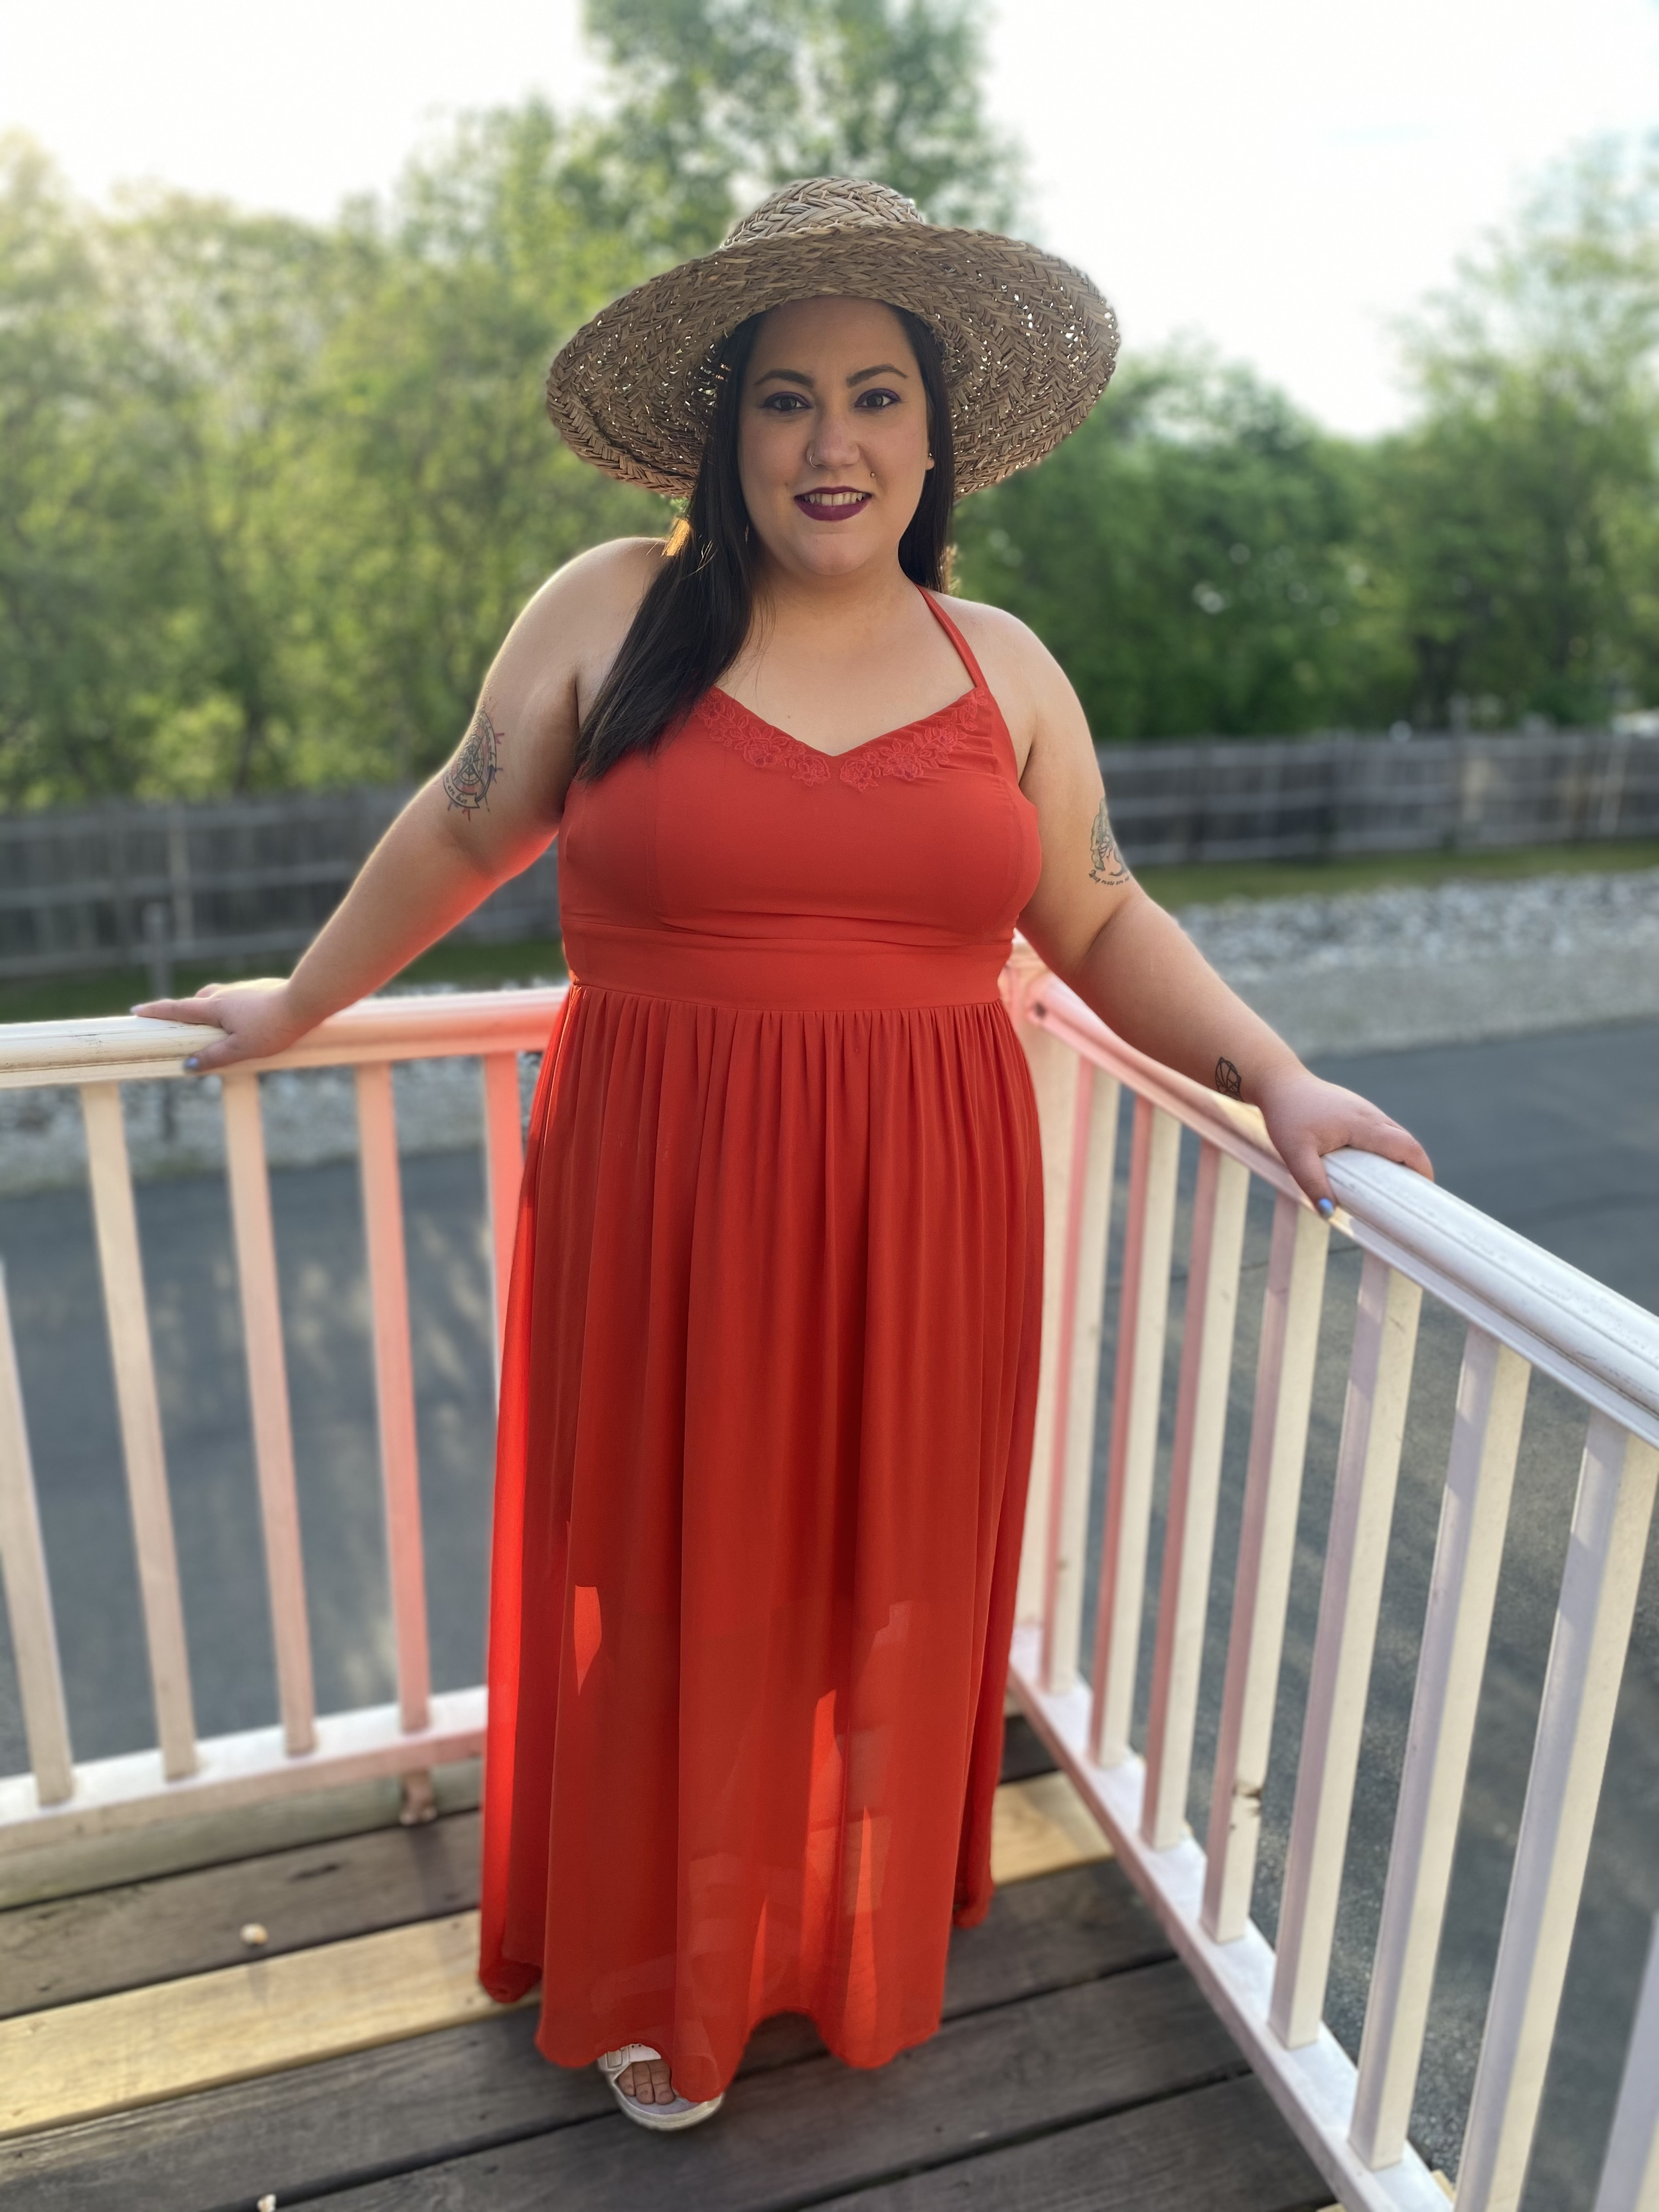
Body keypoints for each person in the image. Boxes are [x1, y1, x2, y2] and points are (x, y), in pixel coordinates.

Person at [137, 177, 1431, 2132]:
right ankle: (670, 1961)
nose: (834, 444)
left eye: (878, 398)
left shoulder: (1003, 663)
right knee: (668, 1583)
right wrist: (299, 1001)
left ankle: (827, 1917)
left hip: (930, 1204)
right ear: (720, 427)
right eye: (786, 398)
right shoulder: (611, 609)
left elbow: (1097, 915)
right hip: (664, 1198)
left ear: (936, 439)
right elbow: (461, 821)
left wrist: (1279, 1075)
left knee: (874, 1579)